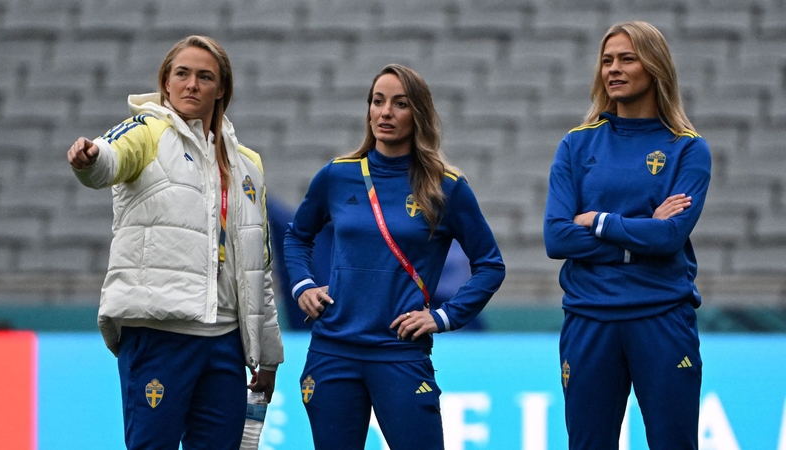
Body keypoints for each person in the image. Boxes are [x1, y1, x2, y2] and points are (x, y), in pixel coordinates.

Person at [66, 35, 283, 450]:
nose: (192, 84)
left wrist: (268, 354)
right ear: (165, 82)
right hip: (159, 332)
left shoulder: (248, 164)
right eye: (182, 74)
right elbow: (108, 158)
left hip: (226, 342)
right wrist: (90, 159)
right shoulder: (146, 131)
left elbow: (260, 268)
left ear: (221, 89)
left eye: (205, 77)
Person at [283, 64, 505, 449]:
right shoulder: (337, 175)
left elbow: (490, 265)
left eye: (399, 104)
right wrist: (303, 284)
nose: (385, 112)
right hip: (333, 350)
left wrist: (444, 317)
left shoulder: (446, 187)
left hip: (400, 353)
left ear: (418, 113)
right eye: (378, 101)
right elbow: (297, 236)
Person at [543, 21, 711, 449]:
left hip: (661, 316)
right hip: (589, 317)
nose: (613, 69)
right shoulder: (576, 145)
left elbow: (670, 237)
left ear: (655, 67)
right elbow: (557, 238)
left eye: (627, 59)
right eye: (607, 61)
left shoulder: (688, 148)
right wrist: (641, 233)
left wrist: (600, 221)